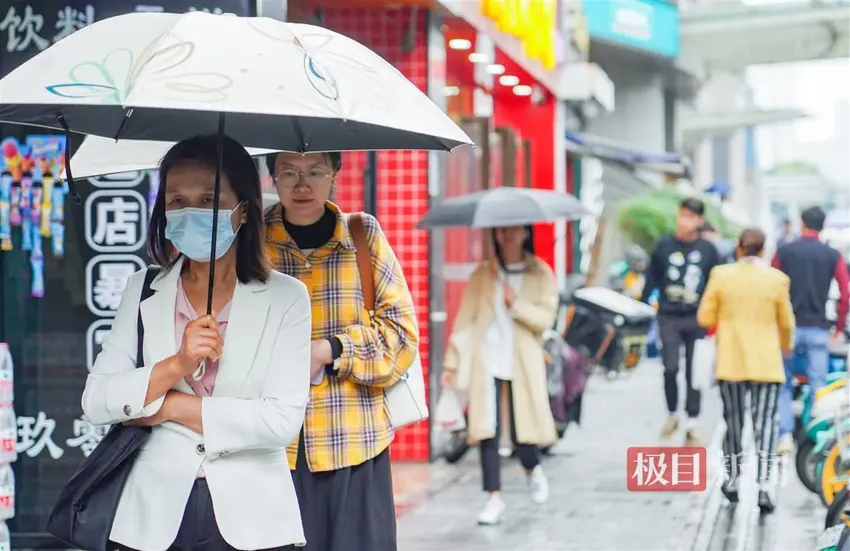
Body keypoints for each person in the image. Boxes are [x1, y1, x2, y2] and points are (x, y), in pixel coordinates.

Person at [83, 135, 311, 551]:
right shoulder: (143, 290)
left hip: (255, 520)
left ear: (244, 208)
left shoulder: (287, 297)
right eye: (176, 200)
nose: (190, 212)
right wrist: (176, 365)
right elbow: (97, 399)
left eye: (209, 199)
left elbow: (280, 422)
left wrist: (169, 406)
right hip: (151, 517)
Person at [264, 152, 419, 551]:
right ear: (272, 179)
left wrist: (333, 349)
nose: (302, 185)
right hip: (272, 446)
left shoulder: (362, 236)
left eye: (315, 171)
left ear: (334, 173)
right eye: (288, 173)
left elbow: (401, 336)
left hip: (355, 441)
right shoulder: (251, 241)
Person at [440, 225, 559, 526]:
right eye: (501, 230)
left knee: (523, 432)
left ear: (525, 233)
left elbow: (546, 319)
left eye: (513, 229)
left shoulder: (540, 273)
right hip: (486, 360)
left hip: (522, 362)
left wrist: (515, 305)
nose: (507, 234)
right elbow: (465, 319)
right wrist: (452, 362)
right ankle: (493, 497)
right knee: (485, 430)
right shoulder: (483, 274)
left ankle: (533, 470)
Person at [697, 228, 794, 513]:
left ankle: (734, 480)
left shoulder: (721, 275)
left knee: (735, 422)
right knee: (765, 423)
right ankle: (764, 485)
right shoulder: (777, 280)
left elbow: (705, 315)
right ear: (763, 250)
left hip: (732, 362)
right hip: (766, 363)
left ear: (739, 248)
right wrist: (785, 346)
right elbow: (786, 323)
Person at [640, 197, 721, 446]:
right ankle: (673, 413)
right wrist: (642, 308)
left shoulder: (708, 250)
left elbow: (716, 284)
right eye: (682, 215)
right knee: (671, 366)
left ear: (698, 221)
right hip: (669, 315)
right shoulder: (663, 246)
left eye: (690, 217)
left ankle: (693, 423)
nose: (684, 221)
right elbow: (651, 279)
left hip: (698, 317)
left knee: (694, 371)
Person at [772, 206, 850, 453]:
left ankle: (784, 434)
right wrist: (837, 325)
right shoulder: (832, 255)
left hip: (788, 329)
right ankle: (815, 438)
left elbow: (772, 287)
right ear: (822, 226)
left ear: (802, 224)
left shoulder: (785, 252)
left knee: (783, 383)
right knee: (818, 385)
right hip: (818, 328)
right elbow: (846, 292)